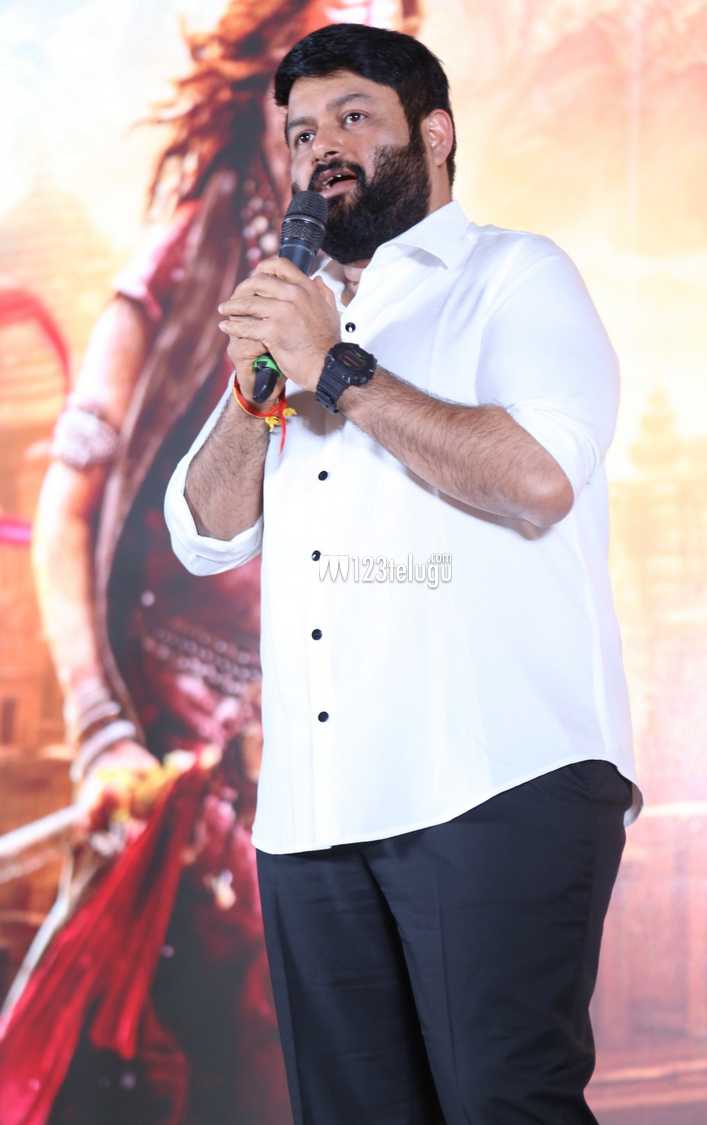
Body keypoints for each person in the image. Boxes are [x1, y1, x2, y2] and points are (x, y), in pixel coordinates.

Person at [165, 21, 643, 1125]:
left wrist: (336, 367)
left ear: (434, 133)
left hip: (499, 782)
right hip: (313, 812)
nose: (320, 149)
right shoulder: (300, 311)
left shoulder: (515, 275)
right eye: (300, 133)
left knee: (504, 1105)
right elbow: (204, 532)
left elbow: (536, 479)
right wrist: (255, 387)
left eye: (352, 118)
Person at [10, 5, 421, 1123]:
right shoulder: (189, 262)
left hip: (328, 757)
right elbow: (67, 504)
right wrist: (101, 729)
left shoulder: (406, 273)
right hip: (178, 780)